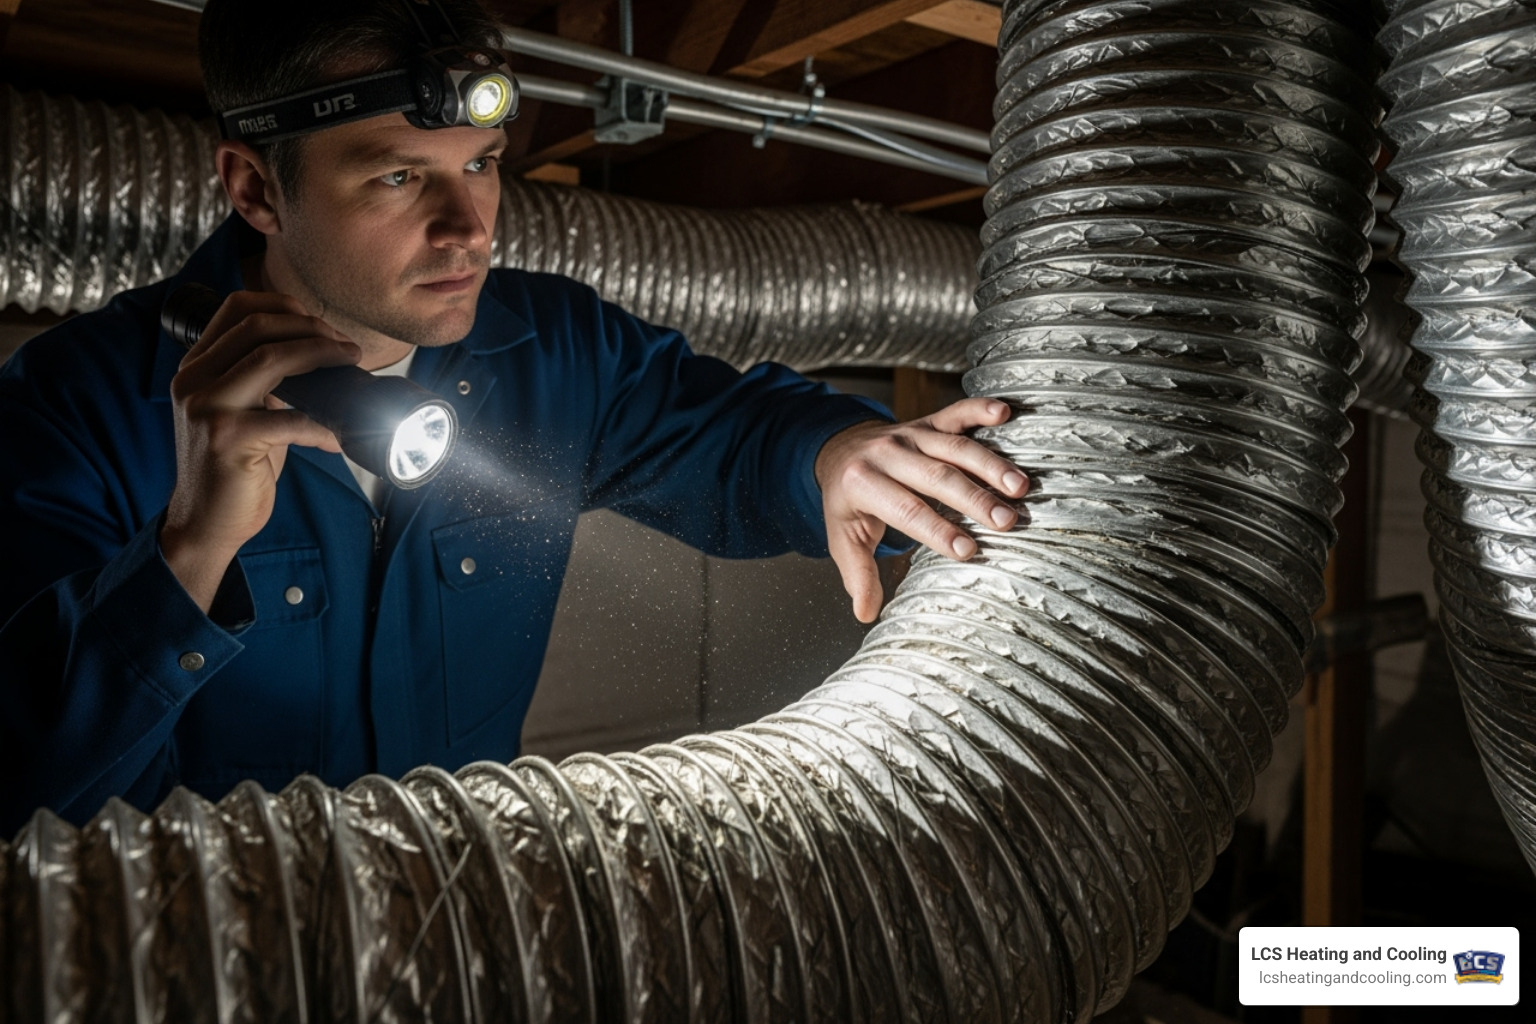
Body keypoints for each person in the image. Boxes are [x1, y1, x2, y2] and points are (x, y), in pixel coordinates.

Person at [0, 0, 1027, 836]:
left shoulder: (555, 352)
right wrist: (187, 552)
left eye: (481, 163)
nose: (467, 228)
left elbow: (731, 432)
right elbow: (17, 789)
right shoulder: (74, 405)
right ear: (257, 188)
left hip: (461, 932)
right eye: (399, 175)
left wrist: (834, 453)